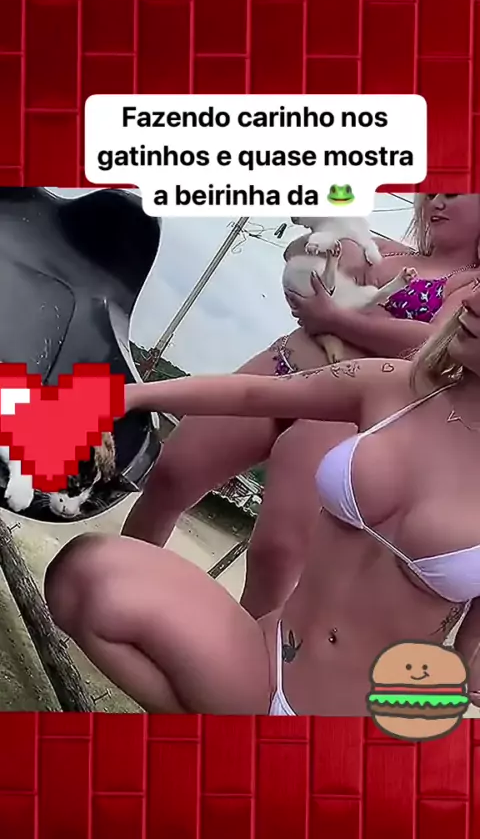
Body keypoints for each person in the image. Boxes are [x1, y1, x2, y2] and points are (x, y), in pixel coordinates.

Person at [44, 282, 480, 715]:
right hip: (264, 661)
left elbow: (470, 654)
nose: (472, 301)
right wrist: (123, 397)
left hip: (360, 721)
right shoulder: (398, 386)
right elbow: (255, 393)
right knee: (85, 575)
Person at [122, 194, 480, 620]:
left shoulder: (470, 287)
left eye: (454, 195)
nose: (437, 202)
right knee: (172, 472)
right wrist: (309, 258)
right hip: (283, 365)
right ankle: (119, 588)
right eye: (432, 192)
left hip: (343, 412)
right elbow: (303, 246)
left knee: (277, 553)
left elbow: (434, 342)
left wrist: (336, 318)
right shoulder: (383, 249)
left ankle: (249, 656)